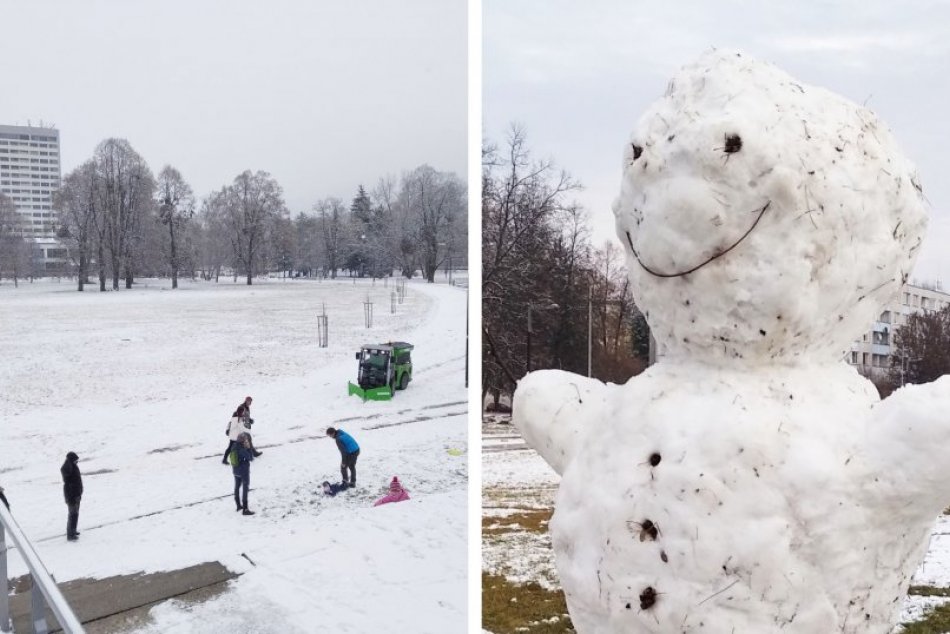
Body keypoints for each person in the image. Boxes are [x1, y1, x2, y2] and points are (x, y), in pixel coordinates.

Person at [223, 396, 262, 464]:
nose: (249, 403)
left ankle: (251, 454)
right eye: (248, 401)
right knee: (241, 444)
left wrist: (249, 420)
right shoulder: (239, 412)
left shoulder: (245, 409)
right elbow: (233, 422)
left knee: (245, 442)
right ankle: (249, 455)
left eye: (250, 402)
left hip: (240, 430)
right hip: (237, 433)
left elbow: (245, 418)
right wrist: (228, 429)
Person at [230, 432, 256, 515]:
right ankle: (245, 509)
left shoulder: (234, 446)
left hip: (235, 471)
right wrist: (248, 448)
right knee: (245, 488)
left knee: (237, 487)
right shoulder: (242, 449)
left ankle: (238, 505)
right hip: (243, 471)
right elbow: (251, 458)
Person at [60, 451, 83, 541]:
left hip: (76, 494)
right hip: (72, 495)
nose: (77, 462)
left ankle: (73, 530)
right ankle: (70, 535)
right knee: (72, 514)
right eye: (75, 460)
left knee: (75, 514)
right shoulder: (67, 468)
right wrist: (72, 496)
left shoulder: (73, 466)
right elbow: (67, 474)